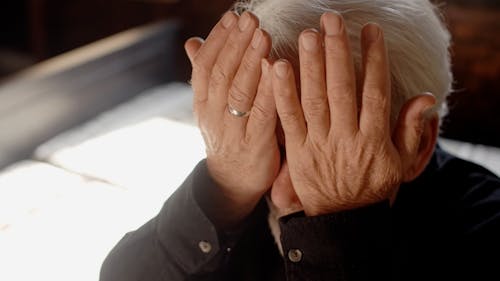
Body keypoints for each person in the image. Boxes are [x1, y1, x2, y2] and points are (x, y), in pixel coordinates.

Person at [100, 0, 500, 280]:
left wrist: (338, 224)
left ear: (418, 143)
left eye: (324, 144)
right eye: (275, 141)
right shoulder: (246, 176)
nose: (282, 193)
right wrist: (223, 186)